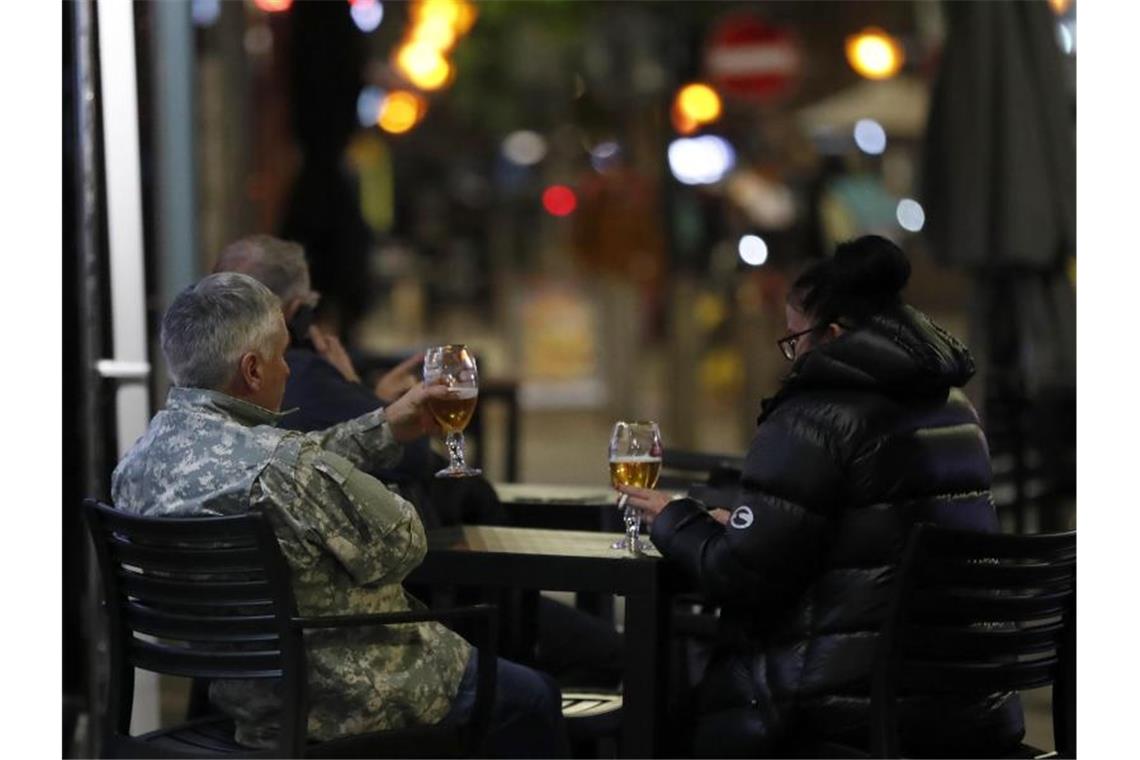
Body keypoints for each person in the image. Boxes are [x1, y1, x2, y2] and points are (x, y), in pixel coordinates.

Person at [111, 272, 568, 757]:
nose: (288, 369)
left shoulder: (135, 469)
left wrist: (385, 424)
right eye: (281, 355)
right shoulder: (285, 469)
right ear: (252, 370)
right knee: (534, 696)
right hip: (343, 697)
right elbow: (403, 545)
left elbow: (287, 461)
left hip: (241, 699)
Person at [618, 235, 1025, 757]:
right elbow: (870, 544)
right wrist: (748, 523)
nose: (791, 357)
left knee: (668, 720)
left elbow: (741, 577)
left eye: (794, 338)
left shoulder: (817, 416)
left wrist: (677, 519)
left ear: (831, 335)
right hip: (966, 702)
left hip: (844, 706)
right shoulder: (956, 407)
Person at [214, 235, 625, 689]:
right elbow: (415, 508)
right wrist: (359, 396)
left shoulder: (175, 450)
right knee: (561, 681)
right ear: (295, 315)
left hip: (241, 668)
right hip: (367, 643)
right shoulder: (302, 383)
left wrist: (369, 405)